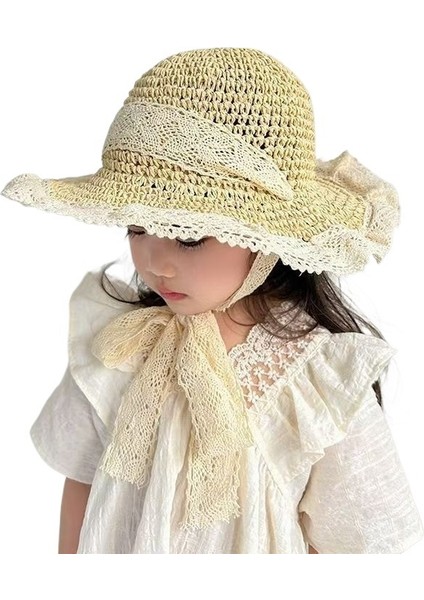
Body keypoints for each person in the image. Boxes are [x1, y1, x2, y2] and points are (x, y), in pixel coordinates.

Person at [2, 47, 423, 554]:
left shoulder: (314, 379)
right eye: (137, 227)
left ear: (265, 237)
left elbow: (354, 542)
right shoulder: (118, 346)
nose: (155, 261)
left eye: (188, 236)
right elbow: (82, 479)